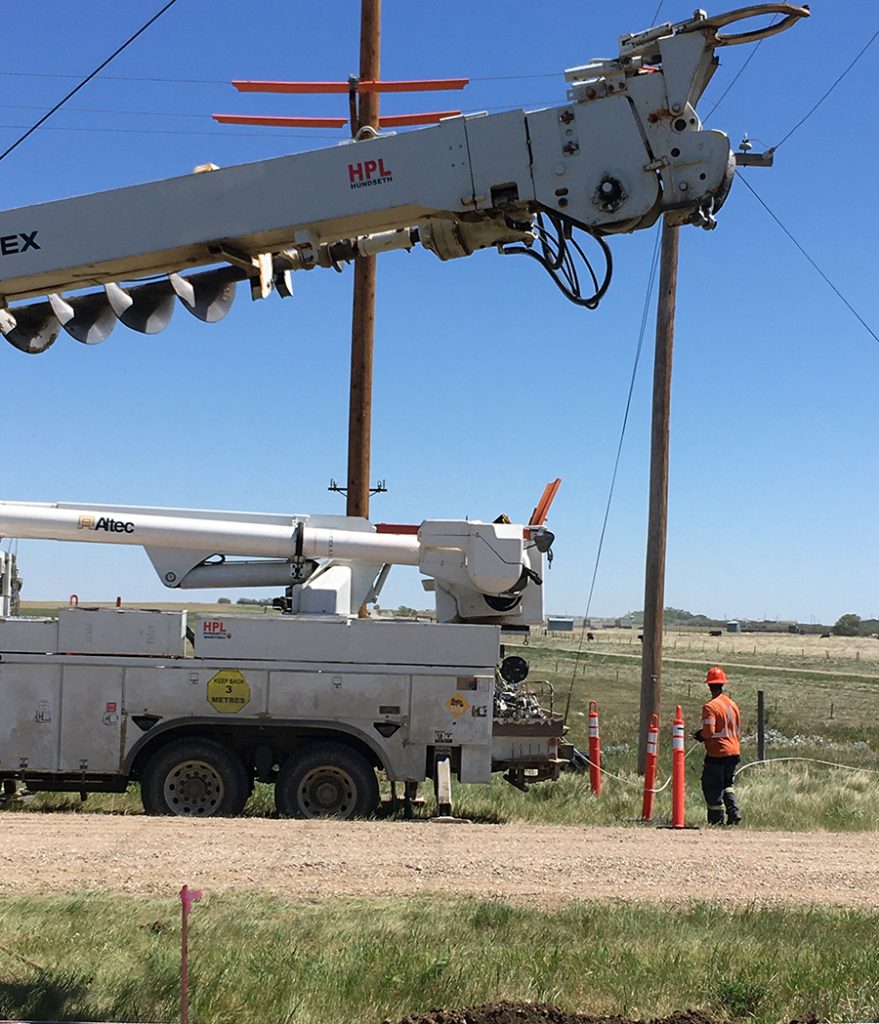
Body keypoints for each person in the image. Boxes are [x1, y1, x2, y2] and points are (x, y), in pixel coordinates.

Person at [693, 666, 742, 826]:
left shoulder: (710, 707)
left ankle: (716, 820)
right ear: (722, 684)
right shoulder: (733, 705)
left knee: (712, 786)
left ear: (709, 685)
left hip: (718, 753)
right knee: (727, 784)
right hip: (734, 751)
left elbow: (709, 732)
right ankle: (733, 811)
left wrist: (699, 735)